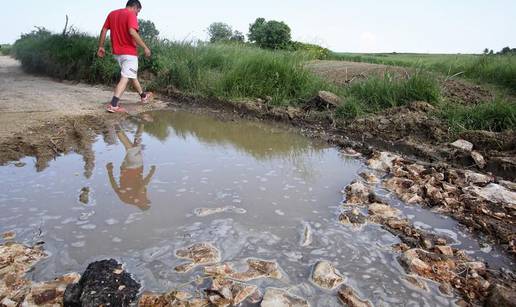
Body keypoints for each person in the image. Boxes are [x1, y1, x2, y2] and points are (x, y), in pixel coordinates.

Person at [97, 0, 152, 113]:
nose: (137, 14)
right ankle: (113, 105)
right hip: (129, 53)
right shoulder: (131, 14)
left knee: (131, 74)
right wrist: (145, 47)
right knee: (125, 77)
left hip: (117, 54)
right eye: (138, 11)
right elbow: (132, 32)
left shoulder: (112, 14)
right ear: (135, 7)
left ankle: (143, 96)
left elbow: (103, 30)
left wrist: (101, 46)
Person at [107, 119, 156, 210]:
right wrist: (110, 171)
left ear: (142, 204)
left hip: (135, 166)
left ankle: (115, 124)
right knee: (135, 144)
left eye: (146, 201)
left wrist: (151, 172)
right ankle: (142, 122)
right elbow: (114, 186)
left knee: (131, 147)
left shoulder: (139, 199)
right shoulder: (125, 200)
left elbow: (142, 186)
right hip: (125, 167)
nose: (147, 198)